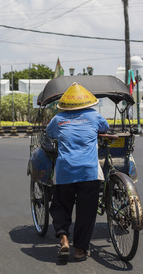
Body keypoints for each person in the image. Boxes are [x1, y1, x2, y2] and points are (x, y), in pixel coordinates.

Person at [46, 82, 109, 261]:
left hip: (65, 170)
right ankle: (80, 250)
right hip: (89, 172)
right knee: (86, 212)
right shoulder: (94, 116)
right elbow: (105, 129)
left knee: (61, 206)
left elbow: (49, 134)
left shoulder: (58, 119)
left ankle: (64, 238)